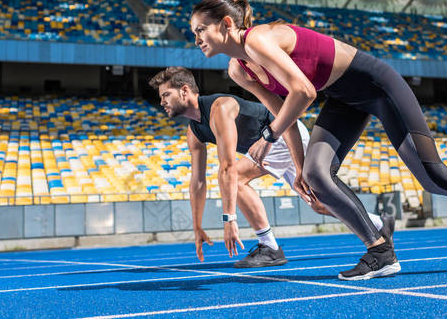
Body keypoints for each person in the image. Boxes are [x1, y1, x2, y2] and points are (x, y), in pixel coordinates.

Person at [189, 0, 447, 280]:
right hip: (343, 98)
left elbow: (302, 92)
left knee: (431, 175)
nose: (196, 39)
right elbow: (283, 108)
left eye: (200, 29)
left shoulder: (258, 40)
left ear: (224, 24)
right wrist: (298, 168)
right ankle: (380, 251)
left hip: (377, 85)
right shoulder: (239, 69)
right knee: (316, 174)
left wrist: (268, 137)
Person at [149, 67, 395, 268]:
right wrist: (197, 227)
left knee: (242, 179)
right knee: (318, 204)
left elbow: (227, 167)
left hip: (283, 136)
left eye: (165, 95)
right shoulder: (194, 132)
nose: (161, 102)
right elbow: (197, 183)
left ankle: (270, 247)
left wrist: (229, 219)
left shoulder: (219, 108)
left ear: (184, 91)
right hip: (264, 151)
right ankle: (377, 223)